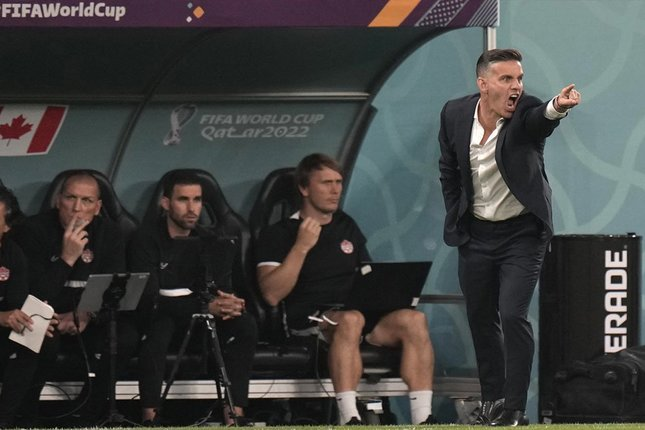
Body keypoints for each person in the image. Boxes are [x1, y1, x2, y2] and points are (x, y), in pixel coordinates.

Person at [438, 48, 581, 426]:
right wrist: (456, 214)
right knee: (480, 318)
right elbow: (448, 168)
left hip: (522, 235)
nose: (516, 86)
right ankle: (493, 401)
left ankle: (514, 409)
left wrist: (558, 107)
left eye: (519, 78)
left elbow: (541, 119)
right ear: (483, 84)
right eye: (506, 79)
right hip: (476, 234)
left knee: (513, 314)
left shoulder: (525, 111)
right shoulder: (454, 113)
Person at [255, 153, 436, 425]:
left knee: (414, 320)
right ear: (304, 188)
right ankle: (350, 417)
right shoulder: (280, 233)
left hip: (361, 315)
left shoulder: (346, 225)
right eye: (326, 183)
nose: (335, 190)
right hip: (313, 321)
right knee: (350, 320)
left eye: (338, 182)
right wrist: (302, 246)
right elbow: (271, 294)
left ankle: (423, 418)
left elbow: (368, 275)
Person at [129, 171, 257, 426]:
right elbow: (148, 298)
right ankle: (150, 418)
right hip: (160, 316)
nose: (192, 208)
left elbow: (221, 287)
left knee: (245, 324)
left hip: (200, 322)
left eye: (197, 200)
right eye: (183, 199)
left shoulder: (210, 240)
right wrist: (205, 307)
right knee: (160, 329)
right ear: (166, 203)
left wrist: (230, 304)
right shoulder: (145, 239)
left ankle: (234, 416)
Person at [11, 171, 134, 426]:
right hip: (46, 315)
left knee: (125, 337)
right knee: (40, 335)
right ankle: (25, 415)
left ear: (97, 207)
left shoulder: (110, 233)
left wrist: (86, 313)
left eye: (87, 201)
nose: (77, 208)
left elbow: (114, 288)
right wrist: (67, 258)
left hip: (86, 316)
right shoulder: (32, 231)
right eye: (71, 198)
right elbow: (31, 294)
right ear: (58, 200)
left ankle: (88, 414)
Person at [0, 185, 58, 427]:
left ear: (6, 226)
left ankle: (9, 420)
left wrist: (36, 319)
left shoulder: (12, 254)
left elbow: (17, 301)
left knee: (37, 336)